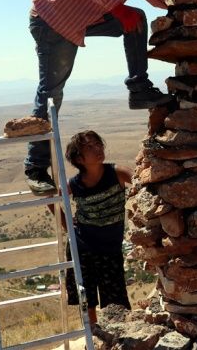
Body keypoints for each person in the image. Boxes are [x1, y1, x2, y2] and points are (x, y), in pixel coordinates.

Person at [24, 0, 180, 195]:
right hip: (54, 18)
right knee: (51, 92)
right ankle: (35, 168)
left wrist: (191, 2)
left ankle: (139, 88)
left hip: (78, 19)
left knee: (136, 19)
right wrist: (117, 8)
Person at [63, 130, 132, 325]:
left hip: (110, 247)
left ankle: (122, 335)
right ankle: (93, 337)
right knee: (88, 297)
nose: (98, 149)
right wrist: (67, 226)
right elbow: (52, 198)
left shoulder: (117, 173)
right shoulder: (74, 184)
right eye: (90, 147)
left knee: (116, 296)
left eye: (98, 144)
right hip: (83, 246)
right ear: (79, 158)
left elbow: (141, 184)